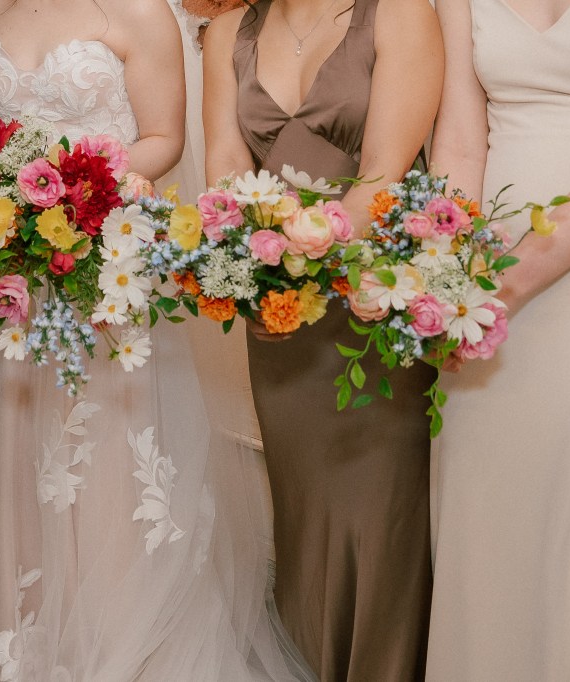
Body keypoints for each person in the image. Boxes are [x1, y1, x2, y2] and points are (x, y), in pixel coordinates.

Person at [0, 0, 315, 679]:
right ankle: (31, 643)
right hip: (17, 272)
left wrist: (72, 190)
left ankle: (112, 645)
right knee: (19, 451)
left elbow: (165, 138)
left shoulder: (139, 11)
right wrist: (4, 203)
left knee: (103, 452)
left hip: (108, 263)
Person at [203, 0, 443, 679]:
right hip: (277, 319)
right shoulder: (227, 32)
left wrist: (297, 260)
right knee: (303, 515)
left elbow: (383, 176)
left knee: (380, 515)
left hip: (369, 307)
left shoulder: (398, 14)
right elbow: (225, 171)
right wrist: (250, 275)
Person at [427, 0, 570, 679]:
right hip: (485, 294)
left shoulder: (509, 286)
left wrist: (509, 284)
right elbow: (460, 142)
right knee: (488, 554)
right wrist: (443, 281)